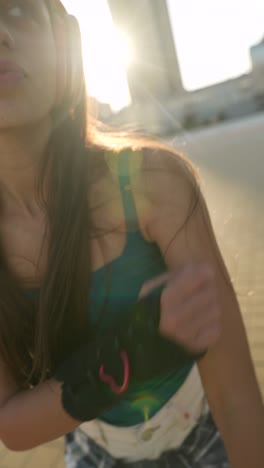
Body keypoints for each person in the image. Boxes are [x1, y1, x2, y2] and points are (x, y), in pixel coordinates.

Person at [0, 1, 263, 467]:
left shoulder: (154, 183)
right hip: (95, 452)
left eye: (19, 9)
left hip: (207, 434)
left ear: (65, 44)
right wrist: (135, 350)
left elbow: (237, 402)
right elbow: (12, 425)